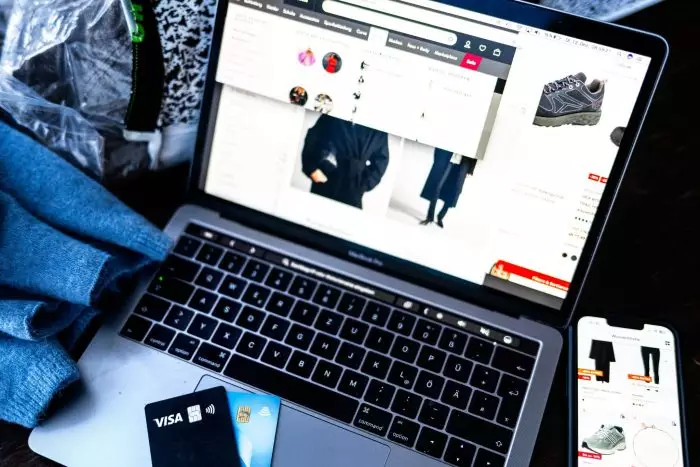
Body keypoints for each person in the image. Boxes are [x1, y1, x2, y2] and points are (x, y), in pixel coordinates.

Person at [301, 114, 389, 209]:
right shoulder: (335, 113)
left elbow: (381, 159)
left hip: (353, 186)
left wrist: (364, 184)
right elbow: (314, 137)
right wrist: (312, 168)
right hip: (326, 175)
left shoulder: (379, 127)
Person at [420, 148, 476, 227]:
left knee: (454, 191)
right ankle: (430, 217)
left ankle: (440, 216)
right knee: (437, 186)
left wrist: (470, 169)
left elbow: (476, 147)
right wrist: (438, 157)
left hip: (464, 162)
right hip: (447, 157)